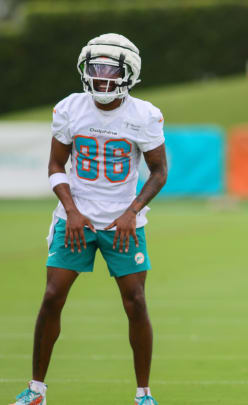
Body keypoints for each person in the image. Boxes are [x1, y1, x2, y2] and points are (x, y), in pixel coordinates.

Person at [10, 33, 167, 405]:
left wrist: (132, 212)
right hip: (74, 217)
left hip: (122, 222)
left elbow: (159, 171)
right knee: (52, 297)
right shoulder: (69, 108)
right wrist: (71, 210)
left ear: (129, 72)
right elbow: (55, 165)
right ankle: (36, 390)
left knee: (136, 302)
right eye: (95, 68)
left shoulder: (144, 114)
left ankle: (143, 393)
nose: (101, 77)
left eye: (110, 70)